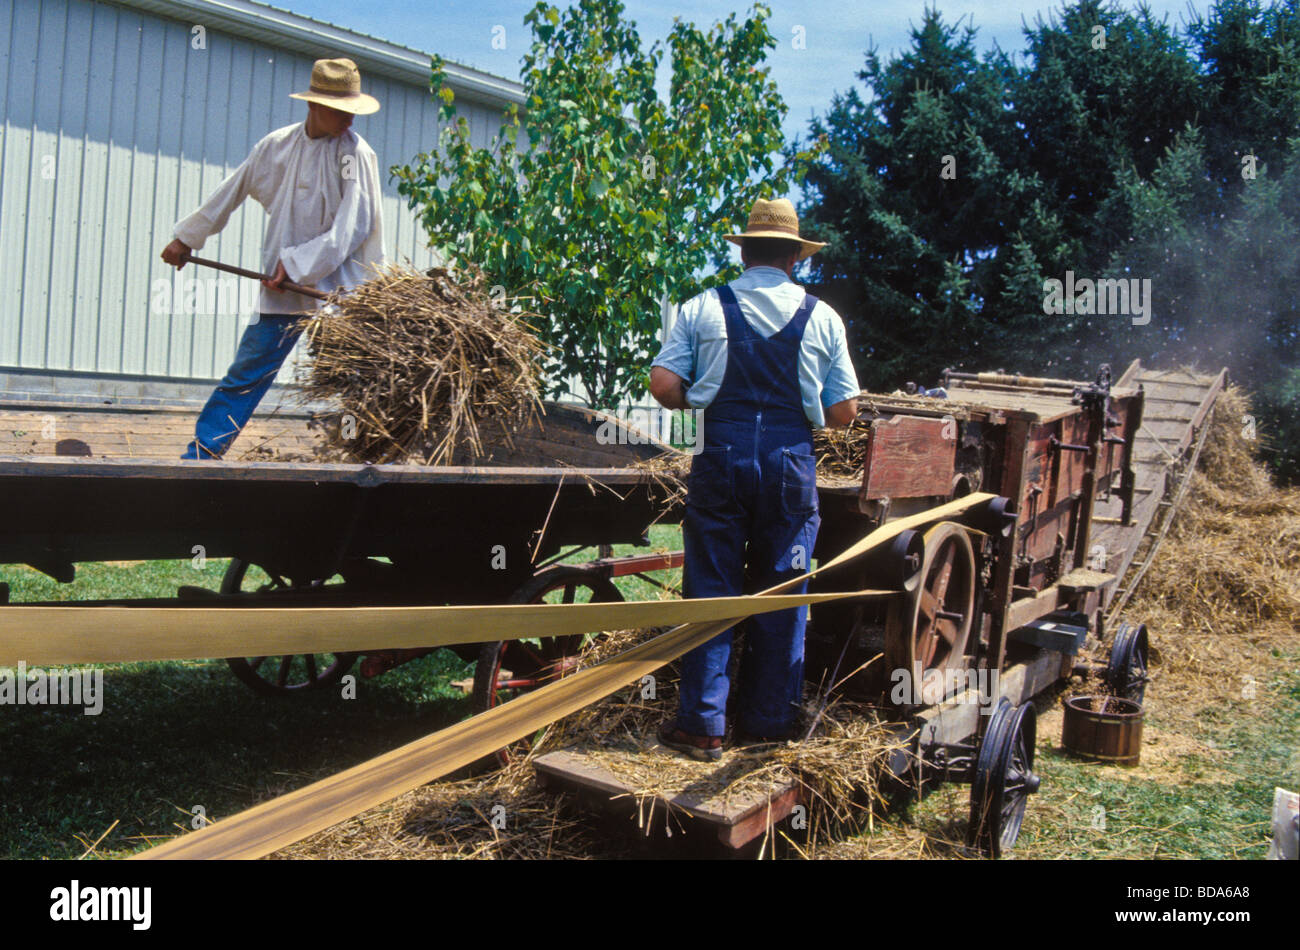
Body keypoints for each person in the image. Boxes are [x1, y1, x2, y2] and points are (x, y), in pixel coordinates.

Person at [648, 197, 861, 760]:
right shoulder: (823, 318)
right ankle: (767, 725)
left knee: (710, 590)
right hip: (791, 462)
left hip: (720, 454)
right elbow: (843, 414)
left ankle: (702, 727)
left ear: (744, 251)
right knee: (784, 593)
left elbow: (662, 383)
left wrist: (698, 397)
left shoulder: (702, 308)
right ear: (795, 256)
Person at [160, 57, 385, 459]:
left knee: (357, 380)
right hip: (282, 290)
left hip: (339, 292)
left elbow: (353, 227)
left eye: (353, 111)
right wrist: (186, 238)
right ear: (314, 106)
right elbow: (232, 189)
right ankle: (203, 456)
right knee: (246, 373)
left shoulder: (355, 154)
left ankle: (366, 457)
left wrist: (297, 264)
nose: (350, 120)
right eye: (342, 111)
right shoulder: (276, 146)